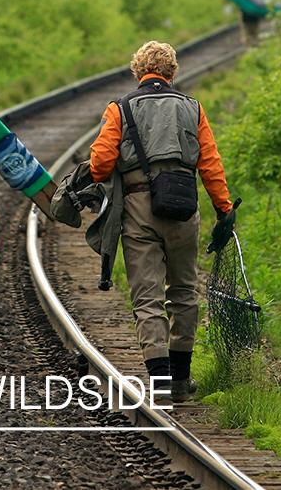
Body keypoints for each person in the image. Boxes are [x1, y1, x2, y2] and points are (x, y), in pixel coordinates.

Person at [88, 41, 235, 402]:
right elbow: (211, 165)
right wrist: (224, 208)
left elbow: (101, 164)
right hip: (184, 206)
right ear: (172, 72)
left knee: (147, 296)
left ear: (138, 71)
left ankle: (159, 382)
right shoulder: (192, 108)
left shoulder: (119, 108)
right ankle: (182, 380)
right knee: (184, 291)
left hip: (139, 209)